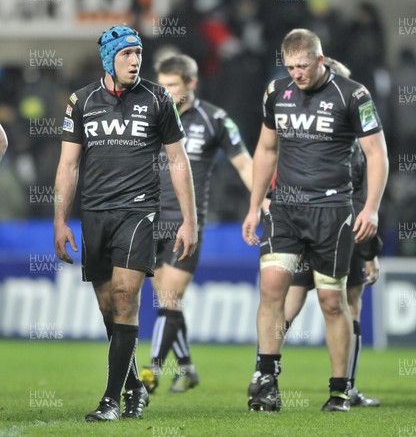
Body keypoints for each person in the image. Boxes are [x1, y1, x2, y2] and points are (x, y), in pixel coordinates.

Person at [54, 26, 198, 421]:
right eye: (126, 54)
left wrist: (190, 219)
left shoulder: (158, 98)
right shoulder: (80, 101)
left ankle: (110, 401)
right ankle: (134, 386)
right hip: (95, 215)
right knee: (108, 308)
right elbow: (68, 165)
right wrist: (60, 220)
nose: (135, 61)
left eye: (138, 52)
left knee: (124, 297)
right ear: (108, 59)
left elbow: (177, 160)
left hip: (138, 213)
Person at [242, 29, 388, 412]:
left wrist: (370, 208)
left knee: (331, 302)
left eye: (303, 66)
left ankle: (340, 389)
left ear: (320, 60)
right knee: (272, 288)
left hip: (332, 212)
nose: (297, 74)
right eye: (290, 67)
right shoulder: (276, 93)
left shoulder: (353, 94)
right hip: (286, 209)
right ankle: (266, 379)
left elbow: (376, 153)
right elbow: (266, 148)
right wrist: (255, 204)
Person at [140, 53, 254, 393]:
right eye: (162, 85)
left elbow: (245, 164)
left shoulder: (215, 119)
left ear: (191, 83)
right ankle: (187, 368)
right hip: (149, 221)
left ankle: (151, 372)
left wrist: (262, 201)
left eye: (173, 85)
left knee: (170, 298)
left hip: (186, 224)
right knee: (165, 302)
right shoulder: (150, 116)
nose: (167, 91)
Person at [280, 57, 382, 407]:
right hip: (338, 230)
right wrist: (370, 252)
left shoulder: (301, 138)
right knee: (348, 306)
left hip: (298, 222)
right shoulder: (352, 150)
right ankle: (345, 387)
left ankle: (264, 373)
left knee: (287, 308)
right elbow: (357, 201)